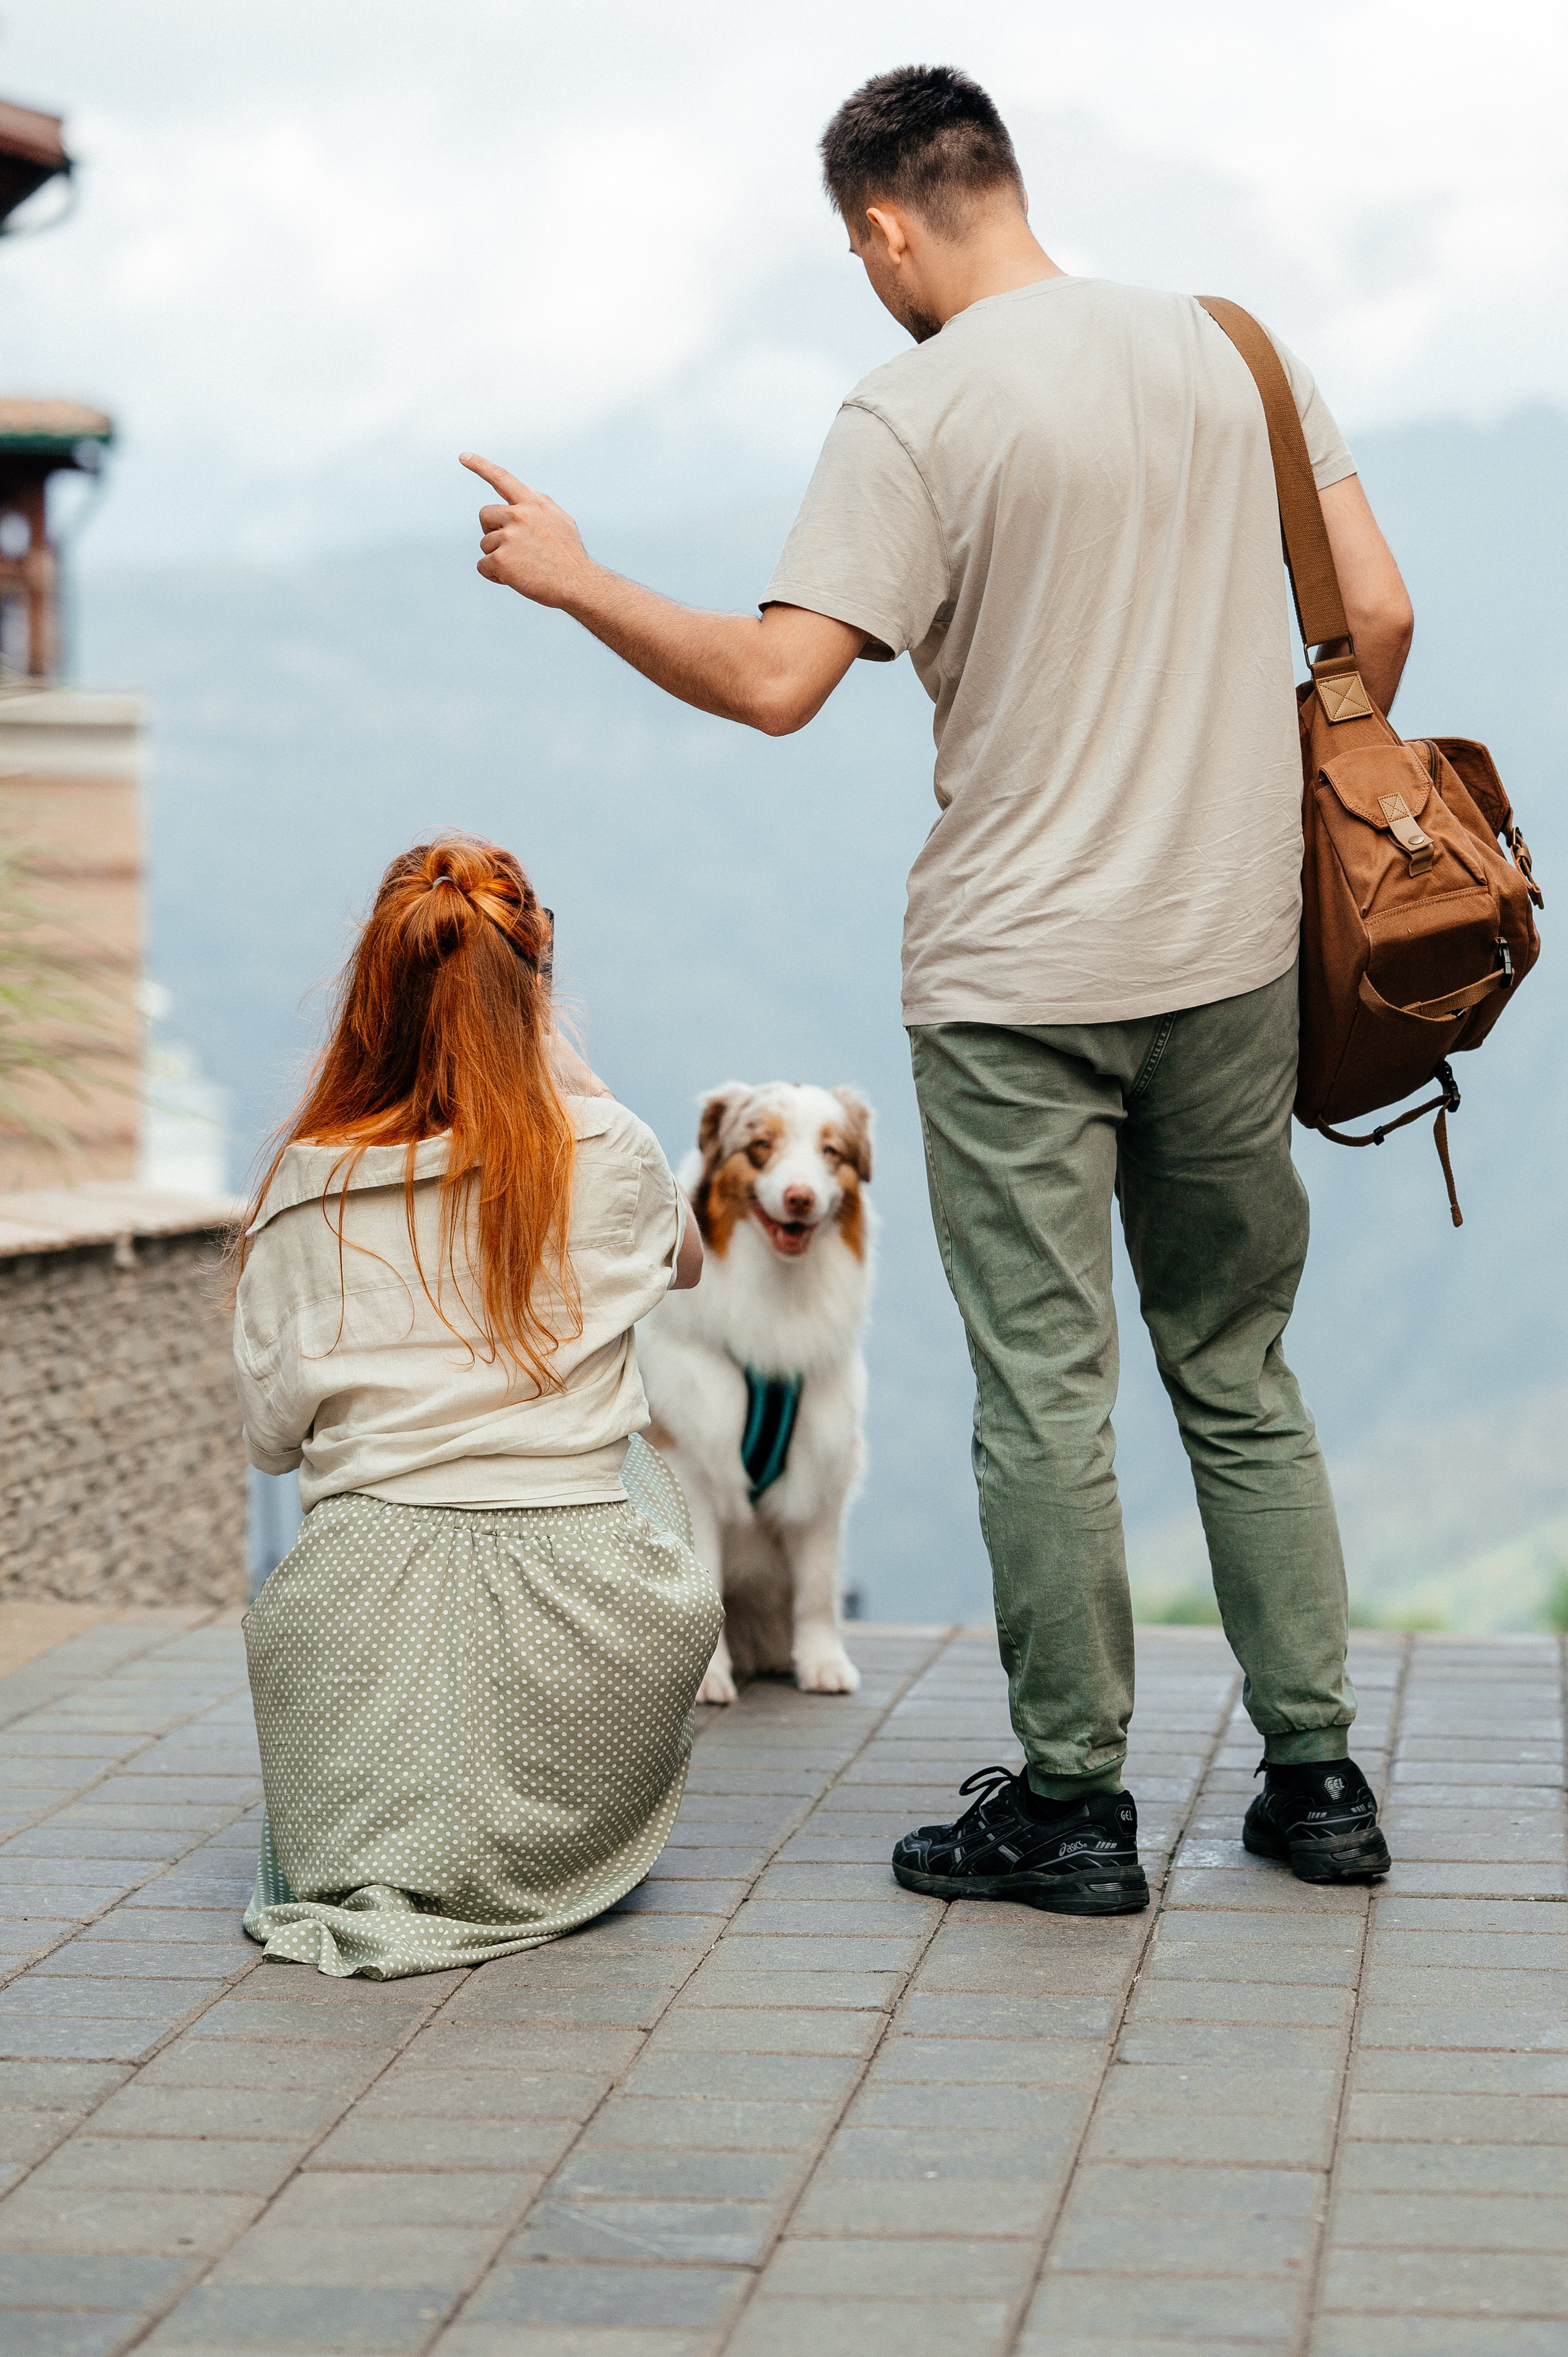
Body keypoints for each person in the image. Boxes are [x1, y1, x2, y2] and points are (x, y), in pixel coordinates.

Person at [460, 64, 1411, 1912]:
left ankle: (1073, 1811)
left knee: (1045, 1391)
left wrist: (571, 578)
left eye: (856, 250)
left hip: (1017, 977)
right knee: (1239, 1365)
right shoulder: (1240, 355)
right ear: (1006, 182)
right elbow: (1368, 621)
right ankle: (1319, 1787)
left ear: (886, 225)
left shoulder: (911, 410)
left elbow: (771, 681)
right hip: (1235, 954)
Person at [233, 834, 717, 1977]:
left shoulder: (305, 1187)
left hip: (351, 1624)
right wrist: (576, 1077)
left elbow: (270, 1445)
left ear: (371, 1001)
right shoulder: (608, 1149)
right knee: (633, 1455)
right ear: (536, 990)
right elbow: (687, 1263)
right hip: (596, 1638)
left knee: (349, 1520)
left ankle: (383, 1814)